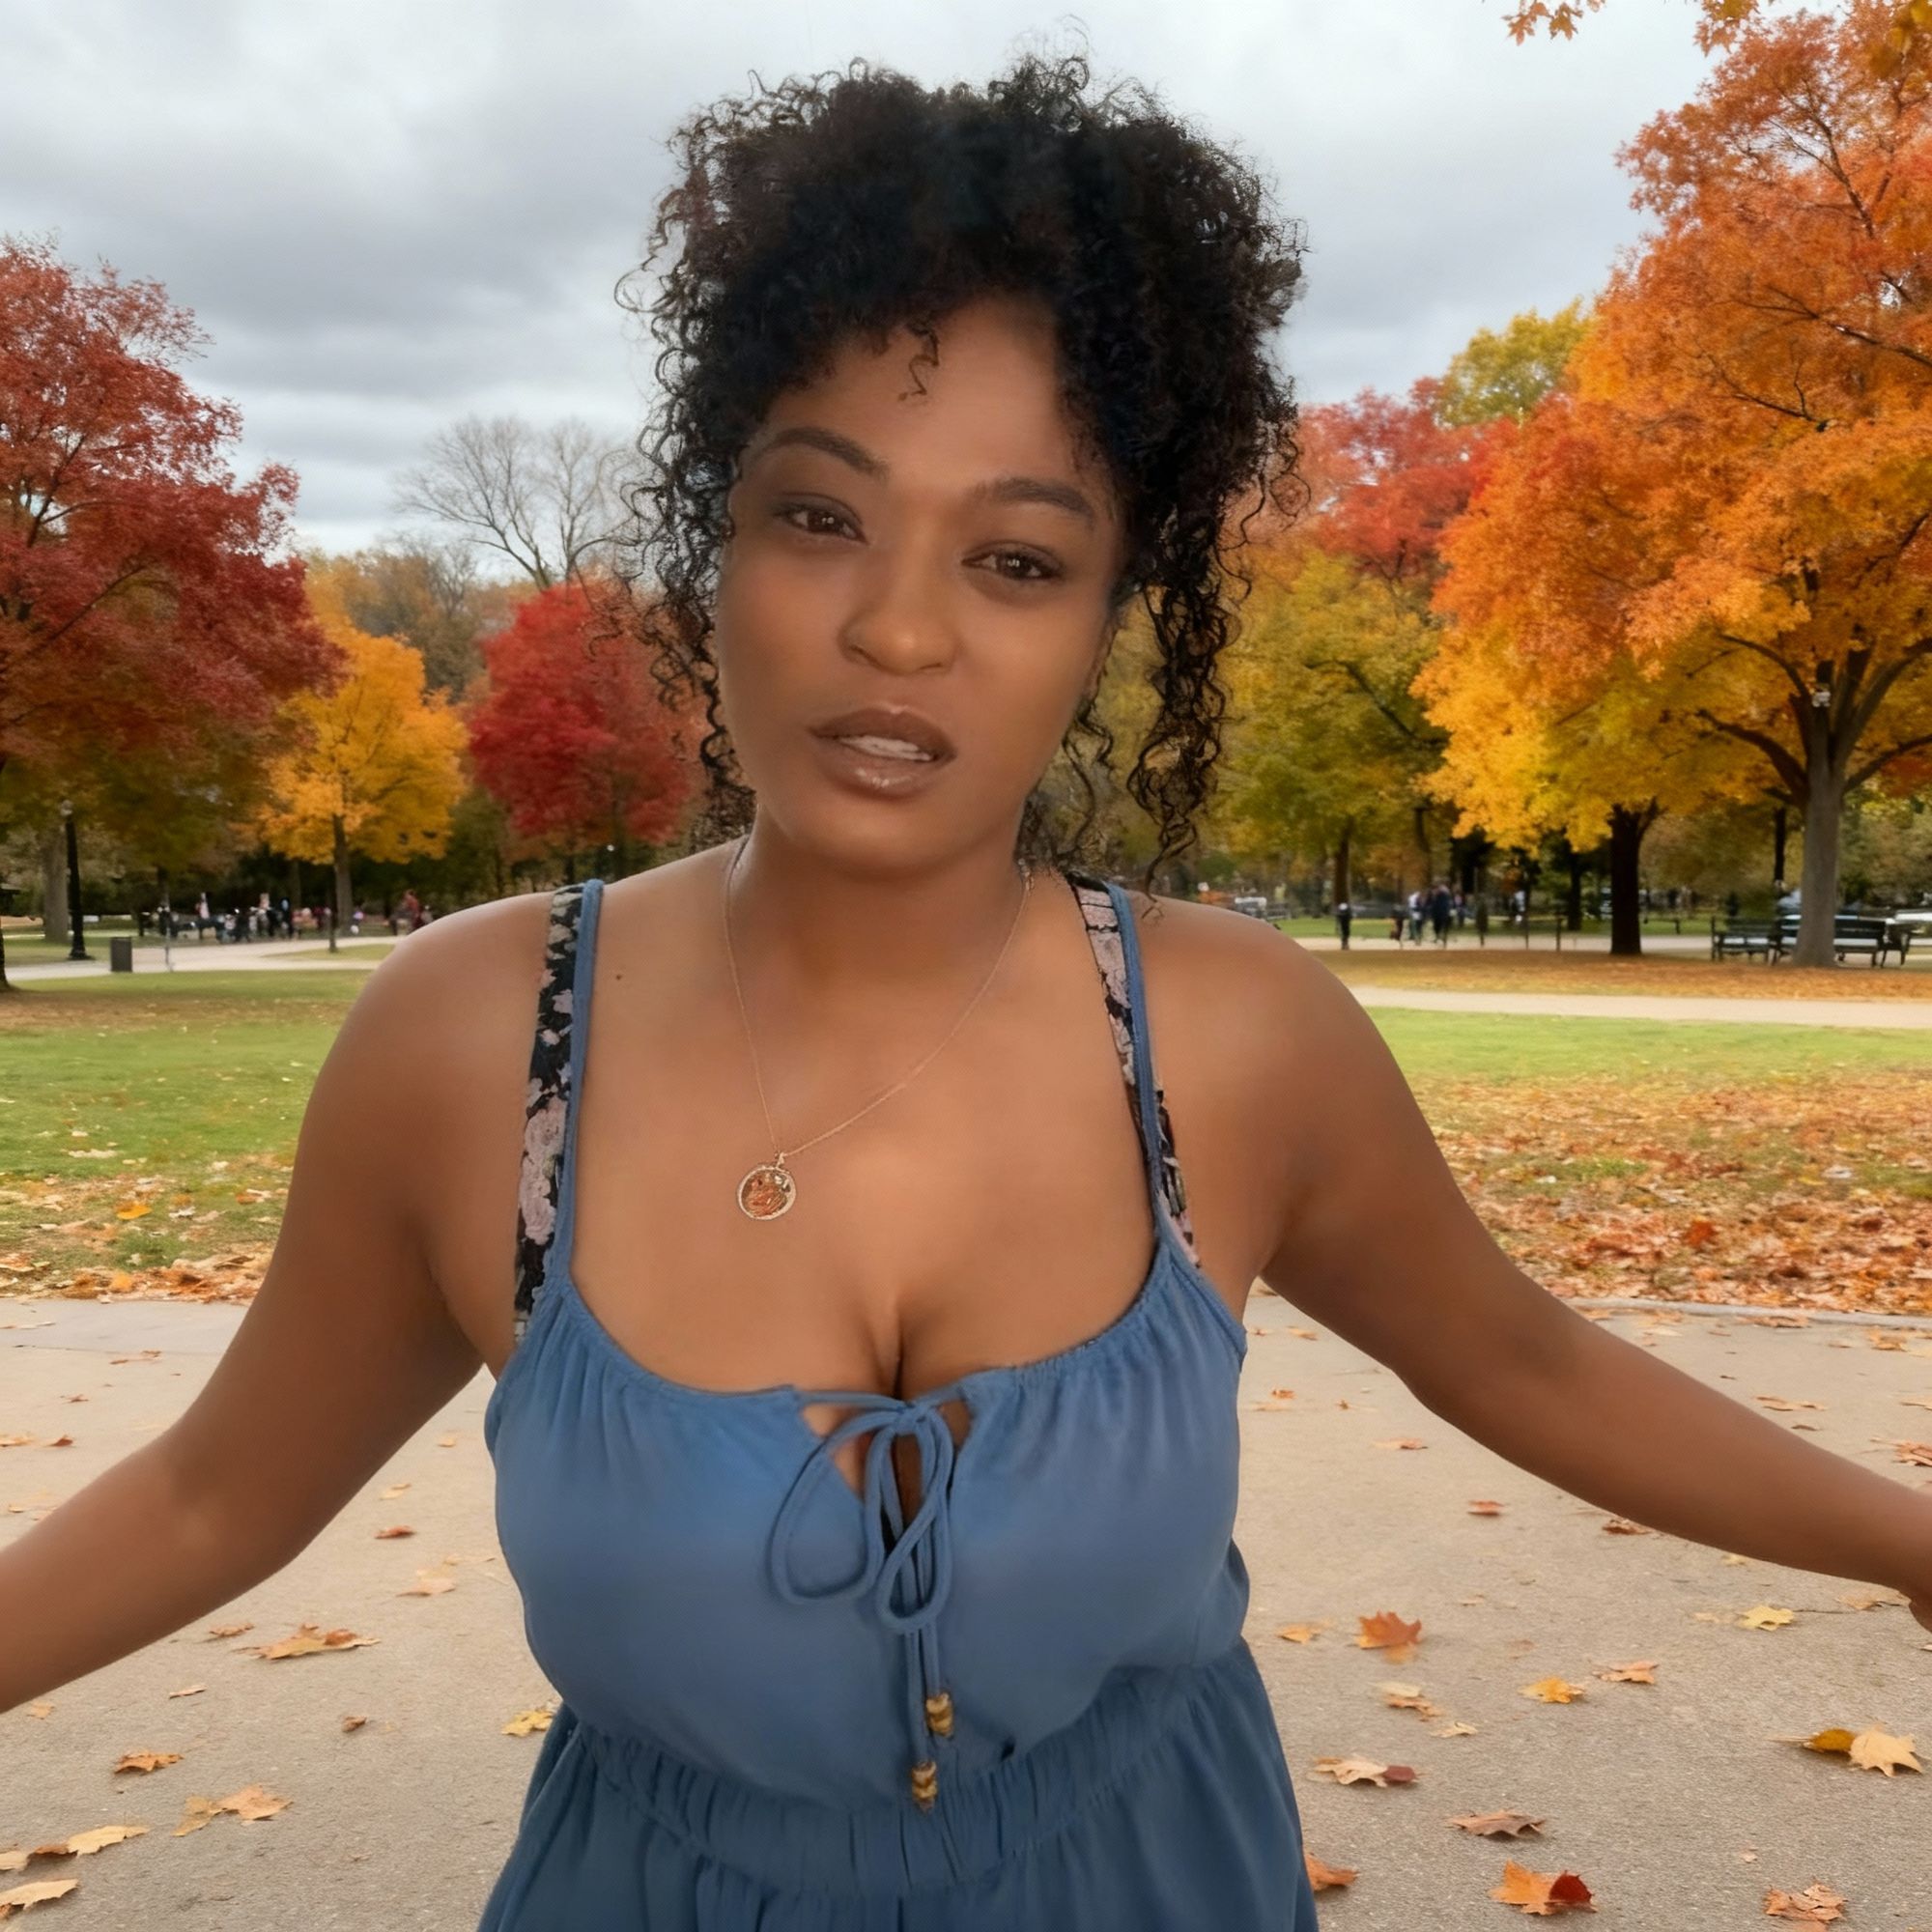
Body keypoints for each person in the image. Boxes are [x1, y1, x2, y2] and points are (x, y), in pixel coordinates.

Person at [5, 50, 1928, 1932]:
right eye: (821, 515)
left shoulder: (1236, 1045)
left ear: (1107, 625)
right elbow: (205, 1495)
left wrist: (1909, 1544)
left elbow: (1527, 1362)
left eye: (1015, 557)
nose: (900, 628)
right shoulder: (470, 1048)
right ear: (719, 541)